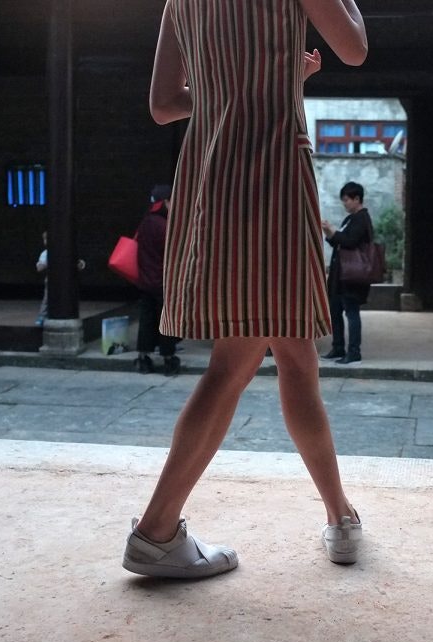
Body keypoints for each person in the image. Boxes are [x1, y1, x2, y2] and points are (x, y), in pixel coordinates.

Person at [123, 0, 368, 579]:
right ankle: (155, 531)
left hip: (212, 176)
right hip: (273, 175)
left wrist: (244, 89)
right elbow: (354, 46)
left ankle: (341, 514)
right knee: (235, 363)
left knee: (295, 353)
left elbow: (164, 106)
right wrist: (277, 85)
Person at [320, 181, 372, 366]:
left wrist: (333, 232)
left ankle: (354, 351)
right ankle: (338, 347)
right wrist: (330, 233)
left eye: (347, 200)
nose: (345, 204)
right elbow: (339, 243)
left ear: (357, 199)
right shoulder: (350, 219)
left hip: (352, 277)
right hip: (340, 276)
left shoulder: (361, 219)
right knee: (335, 311)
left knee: (351, 313)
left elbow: (350, 242)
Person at [134, 184, 180, 376]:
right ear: (165, 203)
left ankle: (143, 358)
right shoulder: (165, 226)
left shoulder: (145, 224)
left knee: (146, 319)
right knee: (166, 321)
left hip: (145, 281)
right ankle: (168, 359)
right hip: (163, 283)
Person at [35, 231, 85, 326]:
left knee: (66, 297)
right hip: (51, 280)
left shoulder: (66, 251)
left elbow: (78, 263)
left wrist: (80, 264)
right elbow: (39, 267)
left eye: (48, 239)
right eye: (45, 239)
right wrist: (43, 264)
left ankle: (66, 314)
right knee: (47, 298)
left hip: (65, 280)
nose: (46, 242)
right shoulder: (46, 253)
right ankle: (42, 316)